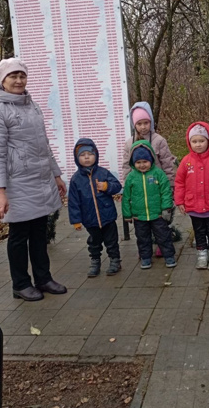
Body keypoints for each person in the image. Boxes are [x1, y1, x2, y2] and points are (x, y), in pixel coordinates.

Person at [0, 58, 67, 302]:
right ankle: (20, 284)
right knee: (19, 236)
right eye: (13, 76)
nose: (19, 81)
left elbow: (43, 145)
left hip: (40, 180)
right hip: (16, 184)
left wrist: (56, 174)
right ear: (1, 80)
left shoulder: (31, 105)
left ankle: (43, 278)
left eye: (22, 75)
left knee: (39, 232)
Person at [122, 102, 177, 257]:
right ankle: (145, 248)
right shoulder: (129, 143)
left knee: (161, 219)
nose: (143, 127)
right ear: (134, 124)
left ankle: (163, 243)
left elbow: (167, 163)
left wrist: (170, 185)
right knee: (143, 221)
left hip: (158, 185)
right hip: (139, 187)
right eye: (139, 123)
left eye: (146, 123)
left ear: (151, 122)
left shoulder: (159, 140)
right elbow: (126, 166)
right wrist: (128, 187)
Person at [174, 122, 209, 270]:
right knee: (199, 231)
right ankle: (202, 255)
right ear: (189, 142)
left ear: (208, 141)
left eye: (201, 141)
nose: (198, 145)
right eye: (194, 141)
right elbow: (179, 182)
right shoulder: (186, 162)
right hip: (194, 206)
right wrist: (180, 201)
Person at [68, 138, 122, 277]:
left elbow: (117, 186)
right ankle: (95, 261)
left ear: (96, 155)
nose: (86, 157)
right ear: (76, 158)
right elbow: (73, 202)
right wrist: (76, 220)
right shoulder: (76, 179)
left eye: (90, 154)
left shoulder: (103, 173)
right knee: (94, 242)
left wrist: (106, 186)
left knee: (111, 241)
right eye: (82, 155)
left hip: (107, 216)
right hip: (89, 218)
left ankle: (115, 260)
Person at [122, 141, 177, 269]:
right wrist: (127, 214)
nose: (142, 165)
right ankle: (145, 257)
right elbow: (126, 197)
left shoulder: (158, 174)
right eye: (138, 162)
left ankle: (169, 256)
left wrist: (166, 208)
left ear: (151, 160)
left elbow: (166, 192)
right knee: (142, 238)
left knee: (163, 236)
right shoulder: (131, 177)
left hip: (158, 214)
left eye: (145, 161)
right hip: (139, 216)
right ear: (133, 163)